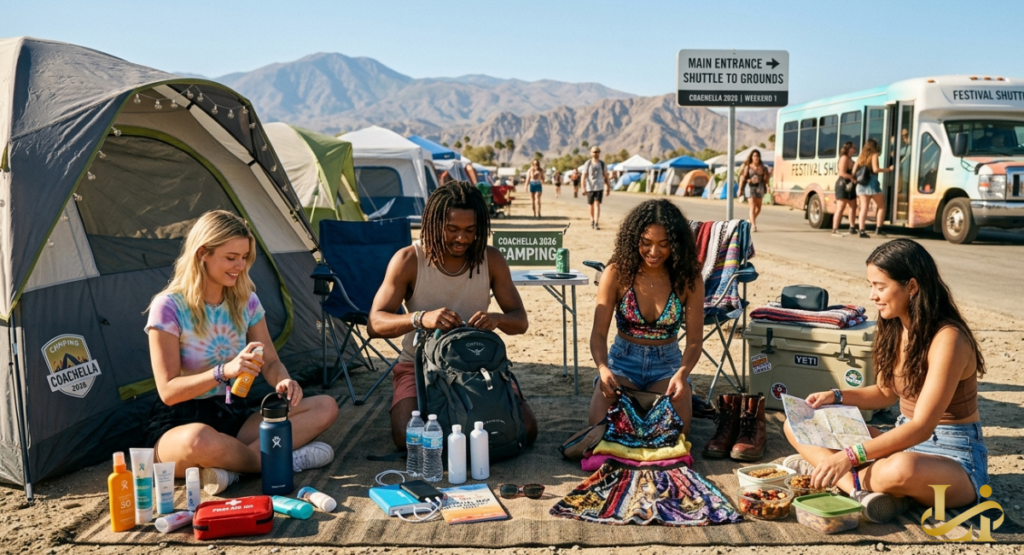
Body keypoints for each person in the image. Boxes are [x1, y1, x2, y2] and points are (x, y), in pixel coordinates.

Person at [782, 239, 988, 523]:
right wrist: (836, 395)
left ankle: (839, 477)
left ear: (912, 287)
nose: (872, 296)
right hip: (901, 441)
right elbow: (884, 393)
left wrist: (848, 457)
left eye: (880, 286)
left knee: (899, 470)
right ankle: (866, 493)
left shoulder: (948, 338)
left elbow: (922, 427)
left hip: (953, 458)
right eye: (871, 285)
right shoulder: (894, 325)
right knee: (798, 422)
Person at [146, 210, 338, 494]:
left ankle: (231, 469)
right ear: (203, 254)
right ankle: (280, 460)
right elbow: (168, 391)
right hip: (178, 423)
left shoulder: (246, 300)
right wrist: (224, 371)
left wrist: (283, 381)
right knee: (200, 440)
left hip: (231, 414)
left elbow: (270, 361)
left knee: (325, 406)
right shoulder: (168, 307)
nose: (240, 265)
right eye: (231, 257)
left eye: (245, 257)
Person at [367, 181, 537, 449]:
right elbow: (374, 324)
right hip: (418, 367)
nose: (462, 239)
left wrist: (497, 319)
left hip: (477, 366)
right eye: (452, 230)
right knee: (409, 439)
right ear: (434, 225)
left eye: (471, 230)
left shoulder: (490, 259)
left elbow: (520, 322)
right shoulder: (408, 260)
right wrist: (420, 318)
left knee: (526, 431)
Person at [588, 199, 705, 438]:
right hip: (622, 363)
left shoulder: (688, 278)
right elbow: (599, 334)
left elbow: (694, 341)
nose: (654, 252)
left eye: (664, 244)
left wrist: (682, 375)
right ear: (634, 240)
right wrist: (603, 369)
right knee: (601, 431)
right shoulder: (616, 273)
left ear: (676, 243)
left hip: (668, 367)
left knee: (673, 435)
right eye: (646, 243)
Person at [853, 139, 893, 238]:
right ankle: (879, 229)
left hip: (861, 185)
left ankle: (862, 231)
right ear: (874, 146)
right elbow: (875, 169)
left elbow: (853, 171)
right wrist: (888, 169)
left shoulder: (860, 157)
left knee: (864, 208)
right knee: (882, 207)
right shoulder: (874, 155)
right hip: (872, 184)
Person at [738, 149, 770, 232]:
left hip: (759, 188)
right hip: (750, 187)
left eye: (757, 156)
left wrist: (767, 186)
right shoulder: (747, 167)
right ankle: (753, 225)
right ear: (751, 157)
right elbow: (742, 178)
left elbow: (766, 179)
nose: (756, 157)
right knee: (752, 207)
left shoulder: (763, 168)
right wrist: (740, 189)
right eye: (754, 156)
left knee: (758, 208)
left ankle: (750, 220)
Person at [832, 142, 859, 236]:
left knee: (853, 206)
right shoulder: (844, 158)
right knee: (841, 207)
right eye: (852, 148)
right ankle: (835, 228)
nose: (854, 149)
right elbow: (842, 173)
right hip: (842, 184)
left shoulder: (851, 159)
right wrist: (852, 178)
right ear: (848, 149)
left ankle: (852, 227)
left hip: (851, 185)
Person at [582, 146, 611, 230]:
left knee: (597, 204)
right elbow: (583, 176)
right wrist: (583, 187)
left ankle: (596, 222)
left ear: (599, 153)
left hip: (599, 187)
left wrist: (608, 187)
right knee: (590, 205)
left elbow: (606, 176)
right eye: (594, 152)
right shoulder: (588, 163)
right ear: (591, 153)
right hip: (590, 187)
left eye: (597, 152)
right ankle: (592, 220)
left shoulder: (602, 164)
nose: (596, 153)